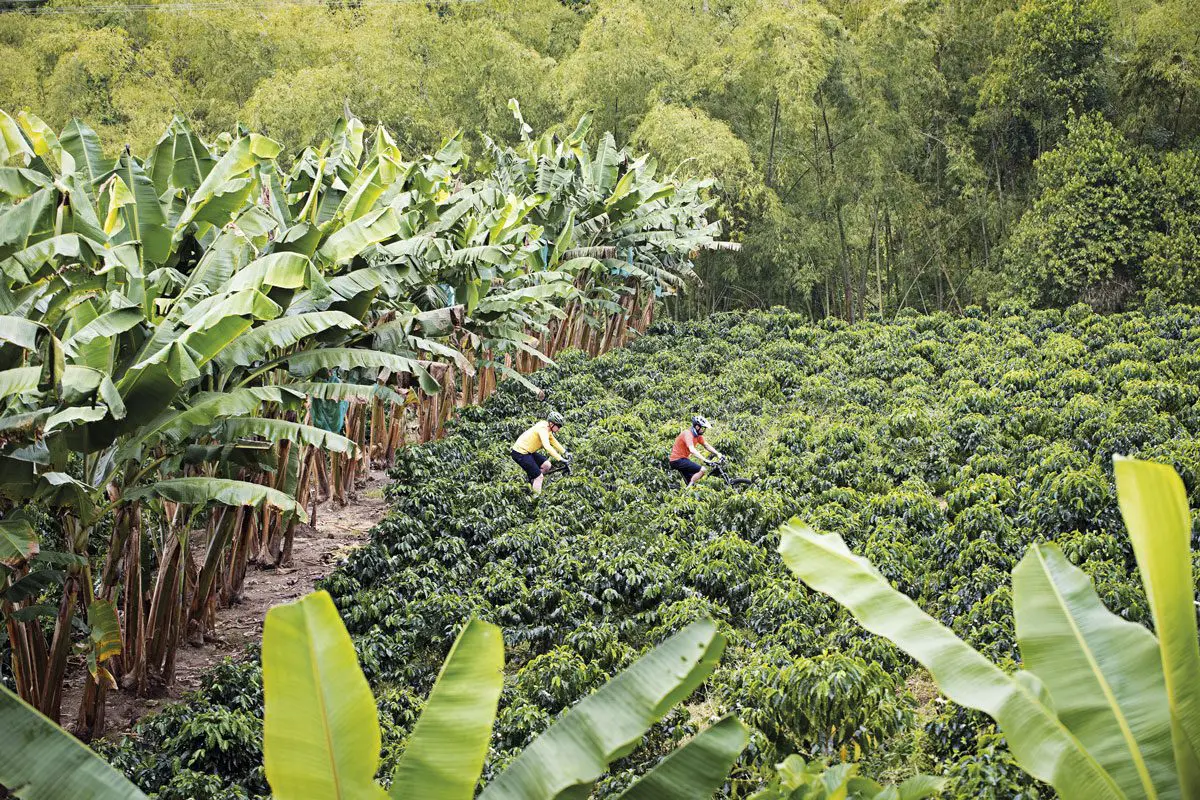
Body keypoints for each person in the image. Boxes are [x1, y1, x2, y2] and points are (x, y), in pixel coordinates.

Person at [512, 410, 570, 493]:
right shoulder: (543, 429)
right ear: (552, 423)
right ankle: (536, 500)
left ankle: (532, 482)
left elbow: (553, 441)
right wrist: (560, 459)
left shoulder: (547, 427)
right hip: (520, 453)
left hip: (528, 451)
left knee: (547, 465)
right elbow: (547, 446)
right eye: (559, 426)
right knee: (539, 477)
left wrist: (565, 452)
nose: (559, 429)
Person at [669, 415, 723, 488]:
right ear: (697, 427)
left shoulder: (698, 436)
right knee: (702, 469)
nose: (704, 430)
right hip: (677, 460)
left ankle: (688, 490)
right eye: (703, 428)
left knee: (693, 484)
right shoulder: (688, 434)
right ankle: (687, 491)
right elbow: (692, 450)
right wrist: (705, 460)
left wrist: (718, 453)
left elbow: (706, 445)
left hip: (683, 459)